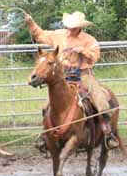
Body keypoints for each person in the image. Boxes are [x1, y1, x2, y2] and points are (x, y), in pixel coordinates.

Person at [24, 11, 119, 149]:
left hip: (84, 75)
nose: (70, 28)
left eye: (73, 26)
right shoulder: (59, 35)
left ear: (80, 27)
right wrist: (31, 23)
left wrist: (83, 50)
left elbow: (94, 56)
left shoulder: (89, 40)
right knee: (47, 106)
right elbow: (40, 35)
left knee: (100, 100)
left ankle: (107, 133)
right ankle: (46, 134)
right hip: (63, 75)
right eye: (69, 26)